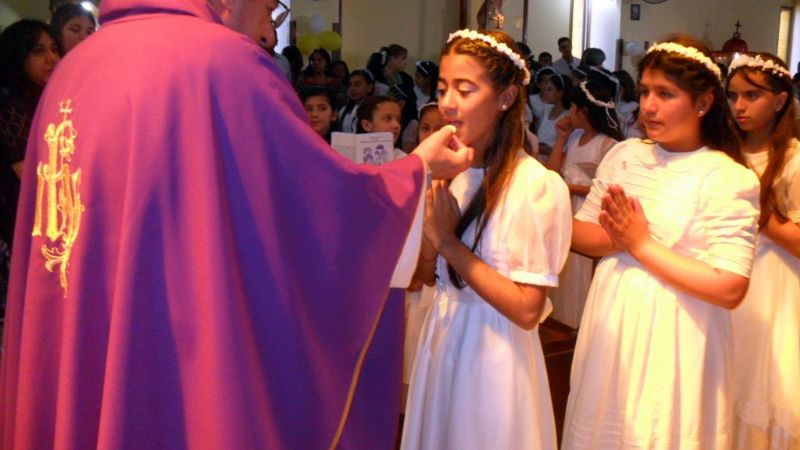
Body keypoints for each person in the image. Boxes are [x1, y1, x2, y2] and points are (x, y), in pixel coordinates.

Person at [0, 1, 474, 449]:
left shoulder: (75, 69)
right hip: (173, 360)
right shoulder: (222, 63)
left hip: (86, 331)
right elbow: (321, 210)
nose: (269, 32)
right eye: (269, 8)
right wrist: (415, 172)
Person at [562, 35, 761, 449]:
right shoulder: (626, 155)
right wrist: (555, 217)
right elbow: (588, 234)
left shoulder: (726, 176)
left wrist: (640, 244)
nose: (648, 105)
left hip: (677, 334)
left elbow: (730, 287)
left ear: (703, 103)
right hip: (613, 320)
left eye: (665, 94)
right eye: (646, 92)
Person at [401, 29, 572, 450]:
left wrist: (448, 241)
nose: (448, 104)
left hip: (493, 354)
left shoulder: (535, 185)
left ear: (506, 98)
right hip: (442, 336)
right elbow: (426, 274)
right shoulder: (454, 170)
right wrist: (428, 220)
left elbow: (528, 309)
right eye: (442, 89)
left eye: (464, 89)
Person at [726, 52, 800, 449]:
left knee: (762, 381)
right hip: (722, 277)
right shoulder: (723, 154)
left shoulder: (792, 159)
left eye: (752, 96)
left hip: (773, 284)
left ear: (780, 99)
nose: (739, 106)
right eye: (733, 96)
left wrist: (760, 215)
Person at [545, 71, 624, 329]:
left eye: (574, 107)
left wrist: (568, 187)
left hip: (587, 211)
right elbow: (553, 171)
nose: (571, 112)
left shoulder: (608, 144)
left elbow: (607, 189)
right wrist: (561, 138)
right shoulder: (575, 138)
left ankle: (579, 323)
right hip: (567, 207)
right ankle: (561, 321)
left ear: (585, 111)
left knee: (580, 267)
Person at [0, 20, 60, 319]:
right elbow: (34, 180)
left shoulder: (36, 101)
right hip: (15, 224)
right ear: (17, 55)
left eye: (53, 49)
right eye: (38, 51)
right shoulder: (12, 107)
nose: (52, 58)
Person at [536, 73, 572, 158]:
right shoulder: (546, 109)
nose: (545, 92)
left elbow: (566, 147)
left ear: (560, 93)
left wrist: (549, 151)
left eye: (550, 89)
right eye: (546, 89)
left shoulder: (567, 117)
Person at [338, 68, 374, 133]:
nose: (352, 88)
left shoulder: (375, 110)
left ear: (369, 87)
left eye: (357, 84)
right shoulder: (344, 110)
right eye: (350, 85)